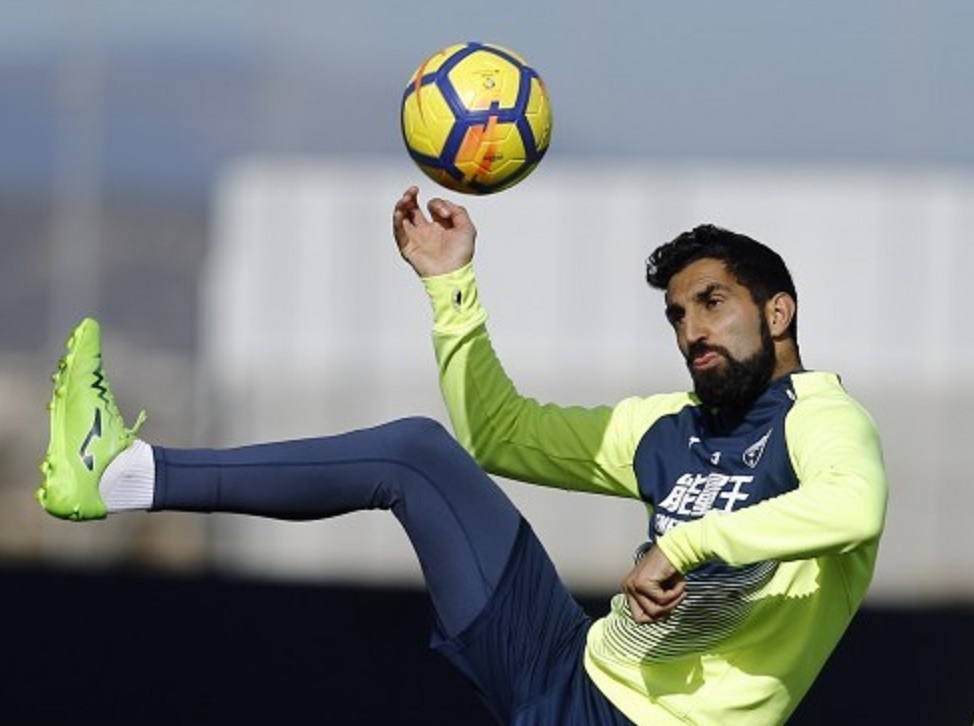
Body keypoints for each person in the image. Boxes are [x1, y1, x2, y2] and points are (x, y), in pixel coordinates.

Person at [36, 185, 887, 726]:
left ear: (778, 314)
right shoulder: (667, 424)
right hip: (561, 662)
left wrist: (689, 543)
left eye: (713, 302)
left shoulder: (820, 417)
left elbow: (856, 507)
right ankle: (125, 473)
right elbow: (499, 434)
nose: (693, 328)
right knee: (415, 456)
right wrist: (450, 285)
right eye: (676, 314)